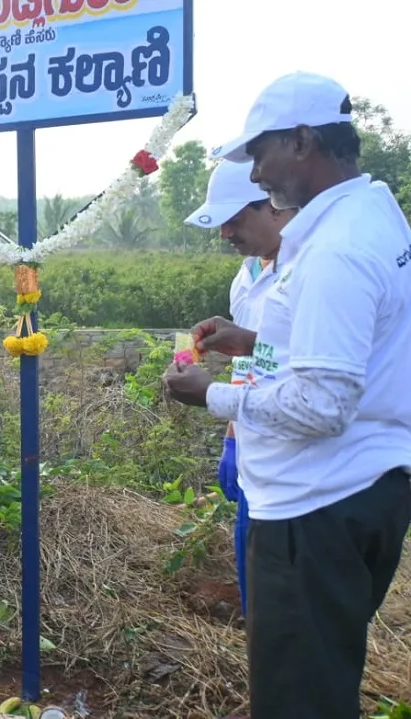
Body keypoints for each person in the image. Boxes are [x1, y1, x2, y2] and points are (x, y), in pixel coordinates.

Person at [164, 72, 411, 719]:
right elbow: (334, 359)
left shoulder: (337, 249)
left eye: (259, 154)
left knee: (301, 703)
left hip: (316, 511)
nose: (256, 173)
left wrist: (213, 395)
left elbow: (321, 404)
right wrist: (250, 342)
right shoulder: (370, 215)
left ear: (303, 142)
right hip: (349, 495)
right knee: (317, 685)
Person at [182, 160, 293, 617]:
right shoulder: (247, 277)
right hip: (256, 450)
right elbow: (255, 364)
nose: (225, 233)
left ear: (274, 205)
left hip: (297, 462)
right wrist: (233, 439)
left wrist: (211, 394)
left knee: (291, 604)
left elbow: (305, 373)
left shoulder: (312, 268)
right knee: (257, 589)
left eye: (234, 220)